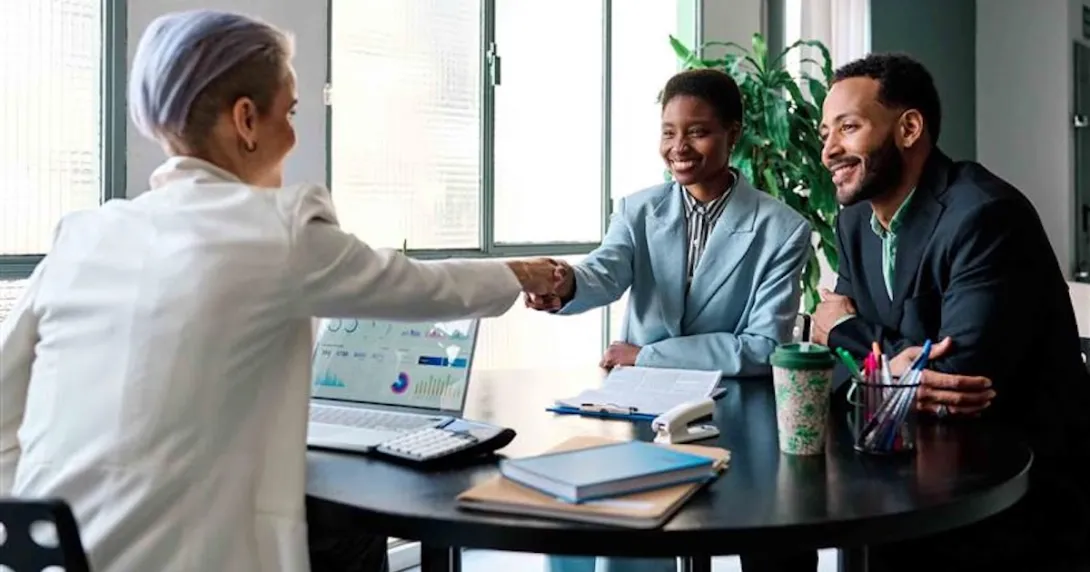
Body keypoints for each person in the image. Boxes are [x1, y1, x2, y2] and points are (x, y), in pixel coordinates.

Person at [0, 10, 562, 572]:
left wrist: (33, 531)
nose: (293, 135)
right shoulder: (276, 230)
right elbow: (420, 287)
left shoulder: (82, 236)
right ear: (246, 119)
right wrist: (526, 273)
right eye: (289, 112)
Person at [811, 52, 1090, 570]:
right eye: (826, 131)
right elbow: (844, 373)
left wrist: (849, 334)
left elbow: (959, 383)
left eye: (847, 128)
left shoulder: (984, 215)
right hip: (901, 478)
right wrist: (890, 371)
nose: (828, 149)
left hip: (1012, 496)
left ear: (909, 128)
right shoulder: (852, 223)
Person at [533, 69, 817, 572]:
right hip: (639, 412)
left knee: (776, 540)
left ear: (734, 133)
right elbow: (606, 270)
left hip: (732, 417)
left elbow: (761, 347)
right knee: (587, 517)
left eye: (697, 131)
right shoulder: (637, 209)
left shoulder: (781, 229)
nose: (678, 147)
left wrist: (647, 355)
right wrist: (565, 285)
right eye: (668, 131)